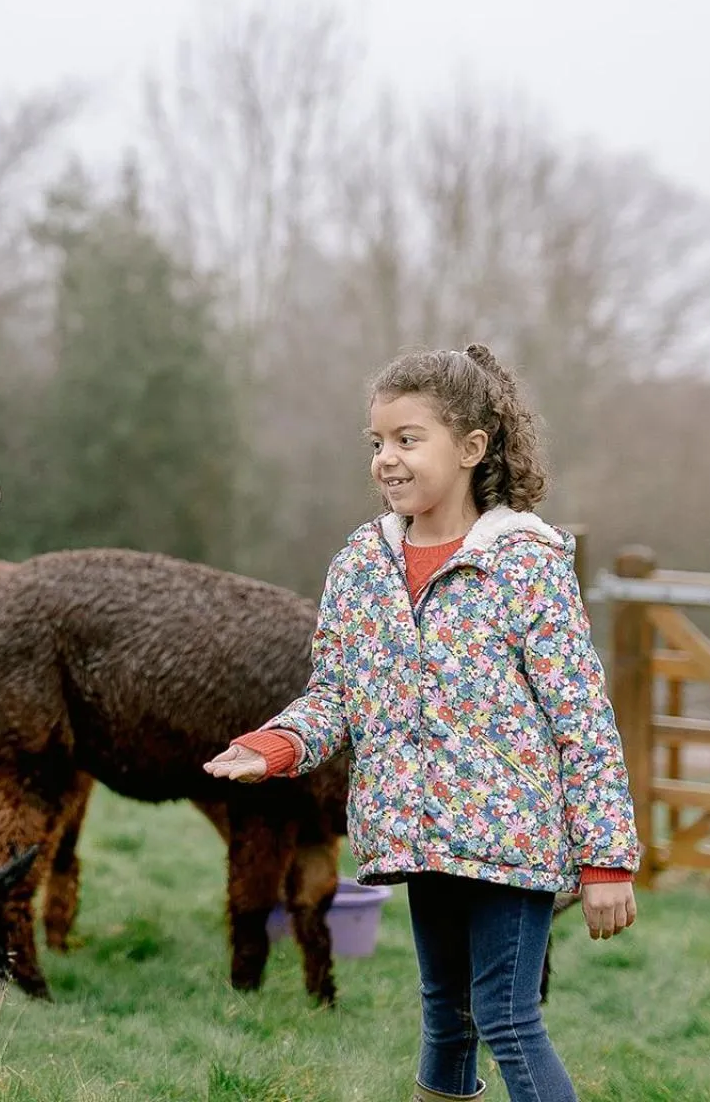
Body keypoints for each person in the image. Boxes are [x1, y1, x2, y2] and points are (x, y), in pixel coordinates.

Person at [204, 344, 639, 1102]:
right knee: (445, 1016)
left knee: (506, 1019)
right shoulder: (361, 563)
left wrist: (606, 863)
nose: (387, 459)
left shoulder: (527, 562)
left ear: (472, 448)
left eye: (409, 440)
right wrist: (273, 745)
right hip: (421, 833)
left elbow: (583, 720)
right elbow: (337, 692)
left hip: (512, 840)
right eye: (377, 442)